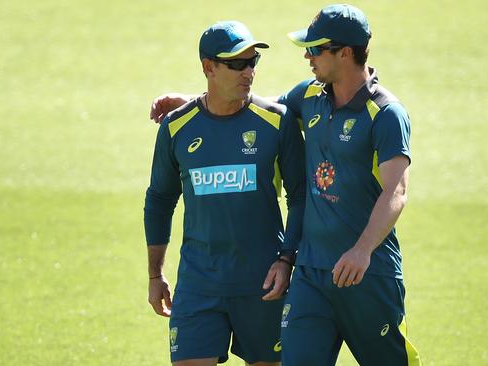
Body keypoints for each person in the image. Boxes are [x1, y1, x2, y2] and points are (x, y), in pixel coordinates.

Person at [150, 5, 421, 365]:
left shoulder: (386, 114)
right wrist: (192, 101)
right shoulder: (308, 96)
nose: (307, 57)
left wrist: (362, 249)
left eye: (315, 49)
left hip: (366, 274)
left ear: (344, 53)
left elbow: (396, 192)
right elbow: (252, 107)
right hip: (310, 275)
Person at [144, 20, 305, 366]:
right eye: (236, 64)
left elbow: (301, 196)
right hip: (199, 286)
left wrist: (287, 258)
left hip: (263, 284)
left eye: (252, 62)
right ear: (208, 67)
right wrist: (155, 275)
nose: (248, 72)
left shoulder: (278, 122)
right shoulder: (176, 128)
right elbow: (159, 200)